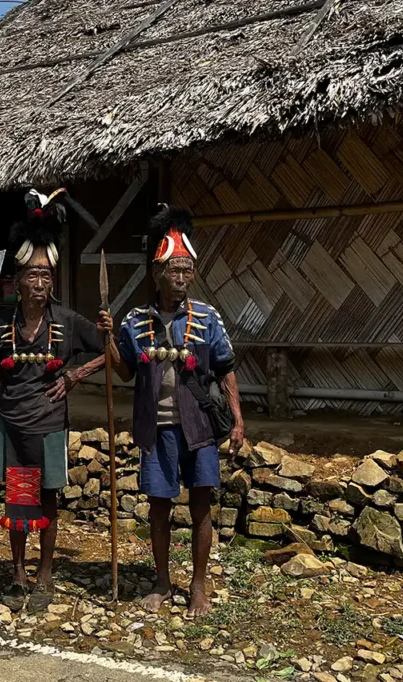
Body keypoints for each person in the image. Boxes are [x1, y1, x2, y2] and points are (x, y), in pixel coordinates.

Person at [96, 205, 244, 618]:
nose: (181, 278)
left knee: (201, 507)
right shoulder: (133, 322)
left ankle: (198, 587)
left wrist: (237, 421)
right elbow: (124, 372)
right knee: (159, 508)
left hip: (198, 429)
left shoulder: (208, 319)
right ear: (158, 273)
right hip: (157, 429)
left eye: (187, 270)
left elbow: (227, 369)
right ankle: (162, 581)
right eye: (174, 270)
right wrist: (108, 340)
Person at [0, 188, 106, 612]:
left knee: (47, 500)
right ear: (17, 280)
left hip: (50, 424)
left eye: (46, 276)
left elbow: (112, 347)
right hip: (13, 422)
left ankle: (45, 573)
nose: (39, 283)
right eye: (32, 275)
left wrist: (76, 373)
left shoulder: (67, 321)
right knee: (19, 499)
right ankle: (16, 572)